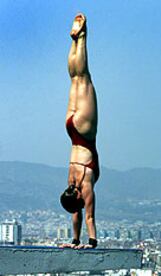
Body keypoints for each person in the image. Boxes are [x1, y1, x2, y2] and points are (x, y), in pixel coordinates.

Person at [60, 13, 99, 249]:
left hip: (85, 132)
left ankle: (81, 36)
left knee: (83, 78)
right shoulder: (70, 182)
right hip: (71, 130)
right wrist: (74, 241)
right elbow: (76, 212)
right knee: (73, 79)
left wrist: (90, 242)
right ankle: (74, 41)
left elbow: (88, 216)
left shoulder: (85, 187)